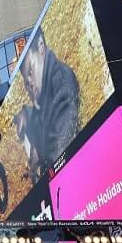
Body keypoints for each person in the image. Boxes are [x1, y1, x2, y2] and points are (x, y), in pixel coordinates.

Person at [18, 32, 80, 176]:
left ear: (41, 46)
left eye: (31, 71)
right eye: (26, 82)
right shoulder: (43, 101)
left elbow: (60, 152)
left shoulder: (60, 82)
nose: (30, 84)